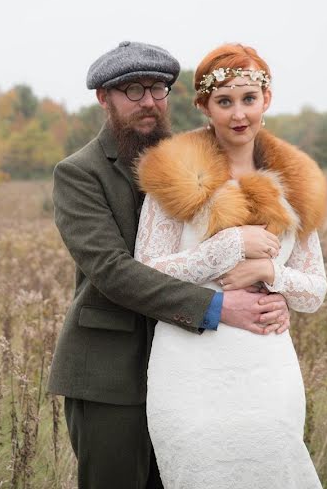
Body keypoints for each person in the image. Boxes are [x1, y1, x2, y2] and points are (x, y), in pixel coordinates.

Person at [48, 41, 292, 489]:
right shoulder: (79, 173)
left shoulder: (203, 160)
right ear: (104, 98)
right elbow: (112, 272)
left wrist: (273, 291)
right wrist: (218, 308)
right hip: (112, 372)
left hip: (192, 368)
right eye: (133, 91)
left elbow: (243, 249)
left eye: (158, 90)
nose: (149, 103)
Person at [134, 43, 327, 488]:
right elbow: (145, 273)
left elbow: (314, 291)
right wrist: (226, 245)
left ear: (266, 101)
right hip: (188, 368)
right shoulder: (173, 176)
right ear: (204, 106)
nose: (238, 114)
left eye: (248, 99)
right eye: (224, 101)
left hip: (265, 366)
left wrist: (270, 274)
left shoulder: (297, 185)